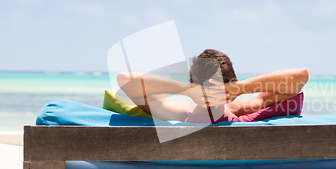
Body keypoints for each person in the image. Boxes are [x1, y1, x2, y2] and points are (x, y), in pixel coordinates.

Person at [117, 49, 309, 123]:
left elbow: (300, 77)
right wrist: (185, 90)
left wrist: (242, 88)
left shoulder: (238, 108)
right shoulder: (179, 111)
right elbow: (124, 78)